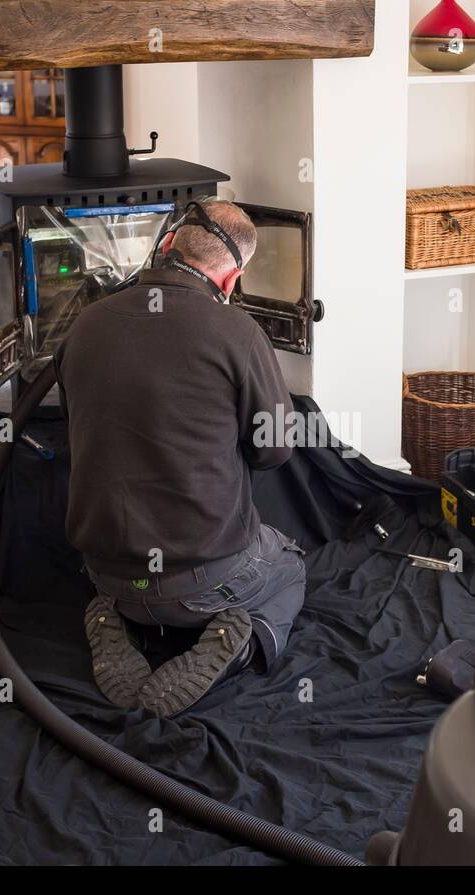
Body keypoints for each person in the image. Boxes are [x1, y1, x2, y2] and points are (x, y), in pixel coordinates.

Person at [54, 199, 305, 718]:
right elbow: (274, 450)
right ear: (232, 279)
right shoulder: (237, 333)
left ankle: (119, 621)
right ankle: (243, 643)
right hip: (203, 583)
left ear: (166, 244)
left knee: (137, 584)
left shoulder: (84, 326)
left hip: (106, 571)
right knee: (289, 563)